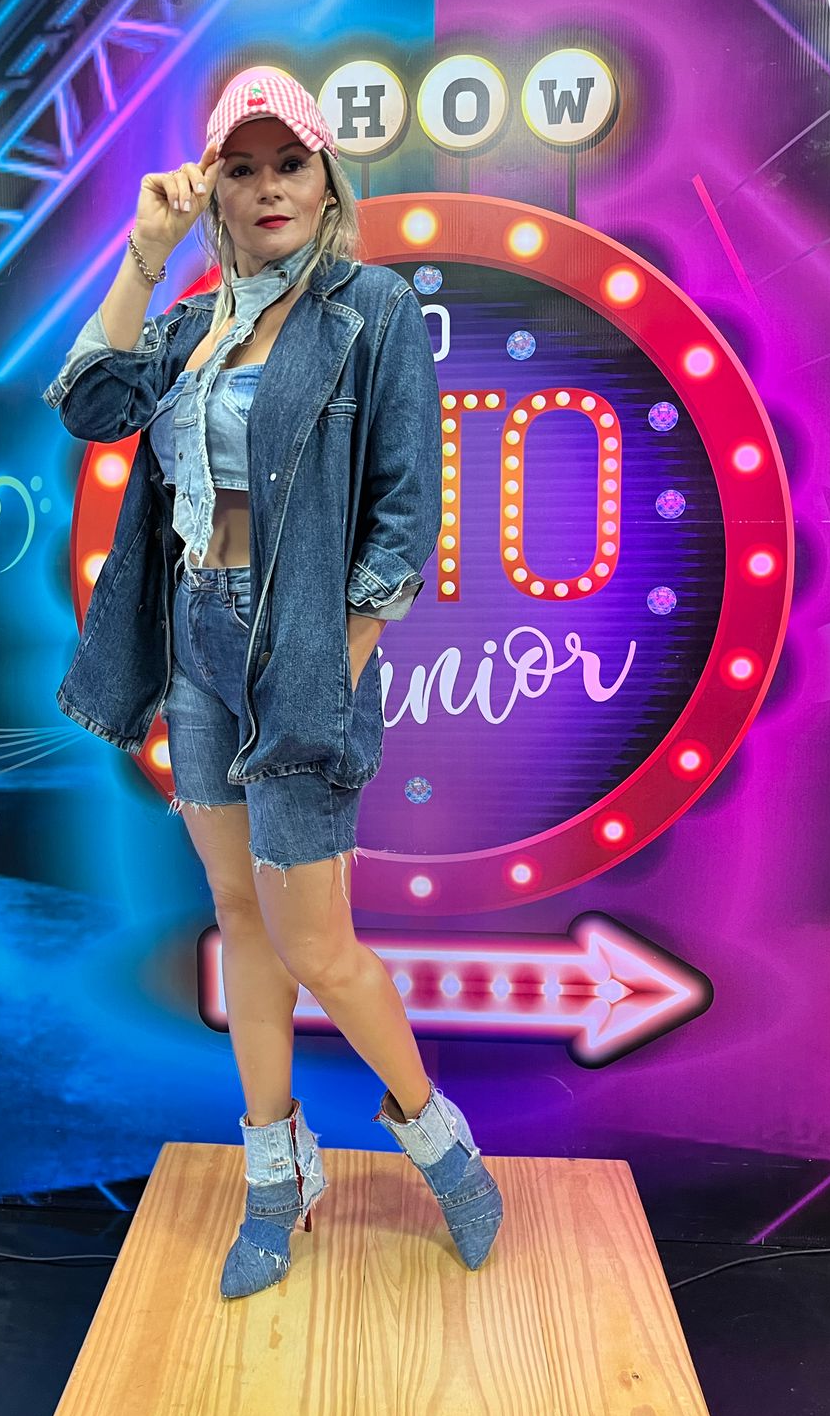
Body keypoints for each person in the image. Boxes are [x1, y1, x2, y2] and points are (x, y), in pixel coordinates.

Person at [44, 69, 503, 1300]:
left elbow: (403, 520)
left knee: (320, 942)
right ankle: (272, 1172)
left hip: (300, 645)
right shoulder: (189, 324)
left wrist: (329, 672)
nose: (267, 188)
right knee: (240, 917)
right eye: (239, 170)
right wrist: (144, 256)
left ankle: (439, 1142)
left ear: (327, 176)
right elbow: (89, 403)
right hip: (194, 639)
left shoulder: (371, 310)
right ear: (214, 191)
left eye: (288, 163)